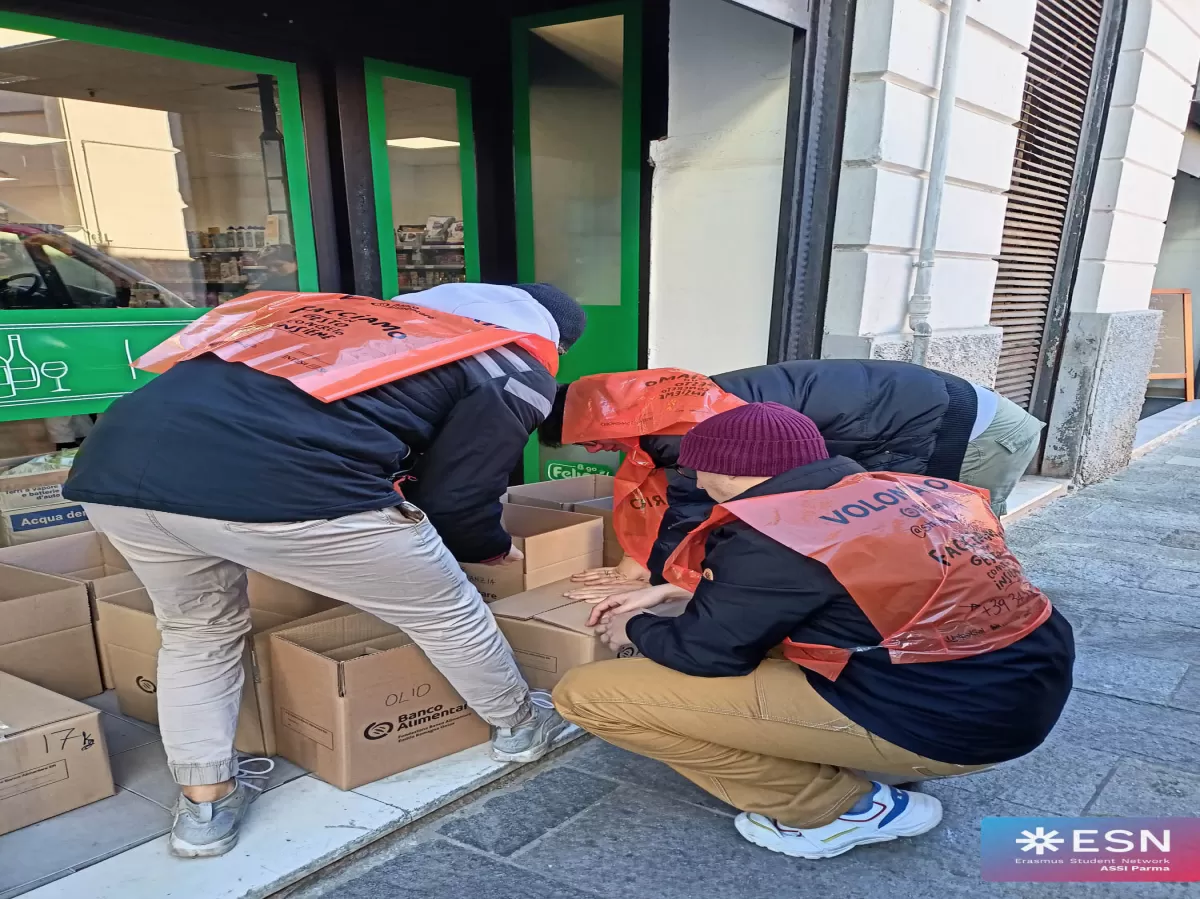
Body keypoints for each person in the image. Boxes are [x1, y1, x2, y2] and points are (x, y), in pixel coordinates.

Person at [62, 282, 586, 858]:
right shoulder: (511, 359)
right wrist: (489, 548)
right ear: (551, 335)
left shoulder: (340, 317)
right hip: (289, 487)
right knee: (447, 611)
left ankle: (205, 807)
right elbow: (458, 495)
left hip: (115, 474)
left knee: (197, 632)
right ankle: (519, 727)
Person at [553, 402, 1074, 860]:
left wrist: (633, 626)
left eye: (695, 470)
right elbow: (849, 593)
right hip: (1010, 690)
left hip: (944, 722)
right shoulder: (885, 492)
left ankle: (842, 810)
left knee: (586, 696)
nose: (694, 482)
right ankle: (866, 761)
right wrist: (678, 591)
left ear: (729, 471)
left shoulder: (772, 535)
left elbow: (706, 655)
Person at [539, 360, 1044, 595]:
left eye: (582, 439)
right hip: (917, 410)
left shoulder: (679, 426)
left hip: (973, 430)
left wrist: (643, 570)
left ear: (589, 419)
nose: (592, 450)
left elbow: (693, 502)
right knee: (902, 538)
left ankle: (972, 630)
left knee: (939, 537)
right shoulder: (655, 403)